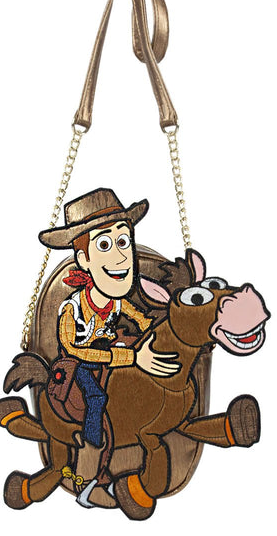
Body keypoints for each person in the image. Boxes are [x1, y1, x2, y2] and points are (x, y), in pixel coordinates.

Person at [38, 187, 179, 507]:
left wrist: (158, 328)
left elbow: (139, 317)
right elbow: (75, 349)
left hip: (112, 351)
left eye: (123, 241)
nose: (120, 256)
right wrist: (129, 357)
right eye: (104, 244)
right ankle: (89, 479)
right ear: (84, 258)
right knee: (97, 399)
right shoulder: (72, 308)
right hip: (81, 364)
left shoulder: (116, 301)